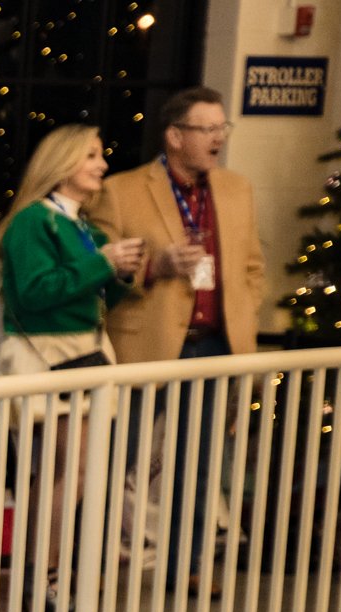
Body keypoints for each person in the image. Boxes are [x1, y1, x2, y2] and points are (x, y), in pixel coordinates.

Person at [89, 87, 265, 585]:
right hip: (144, 345)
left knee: (199, 463)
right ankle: (94, 561)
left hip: (213, 344)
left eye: (222, 128)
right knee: (116, 458)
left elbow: (252, 266)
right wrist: (154, 266)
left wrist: (243, 308)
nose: (218, 139)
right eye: (207, 129)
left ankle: (186, 566)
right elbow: (100, 274)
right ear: (174, 135)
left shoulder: (236, 189)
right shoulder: (121, 191)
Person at [0, 125, 144, 610]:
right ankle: (44, 575)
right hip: (49, 355)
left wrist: (121, 272)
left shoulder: (83, 226)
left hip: (86, 351)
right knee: (72, 470)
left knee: (60, 471)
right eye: (91, 156)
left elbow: (91, 294)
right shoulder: (32, 223)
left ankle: (38, 570)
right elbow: (36, 292)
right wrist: (103, 262)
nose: (102, 165)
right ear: (62, 163)